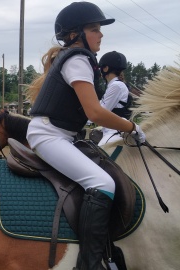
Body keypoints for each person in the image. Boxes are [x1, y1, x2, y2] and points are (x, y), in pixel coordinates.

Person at [25, 2, 145, 269]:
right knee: (102, 184)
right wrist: (132, 128)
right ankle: (89, 264)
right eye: (94, 29)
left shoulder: (78, 58)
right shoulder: (78, 59)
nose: (100, 34)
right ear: (74, 34)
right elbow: (95, 113)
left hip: (62, 134)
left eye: (99, 29)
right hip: (50, 136)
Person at [97, 51, 132, 146]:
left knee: (100, 153)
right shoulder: (114, 85)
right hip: (108, 129)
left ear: (106, 68)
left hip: (114, 131)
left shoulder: (116, 86)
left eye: (101, 68)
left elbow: (101, 111)